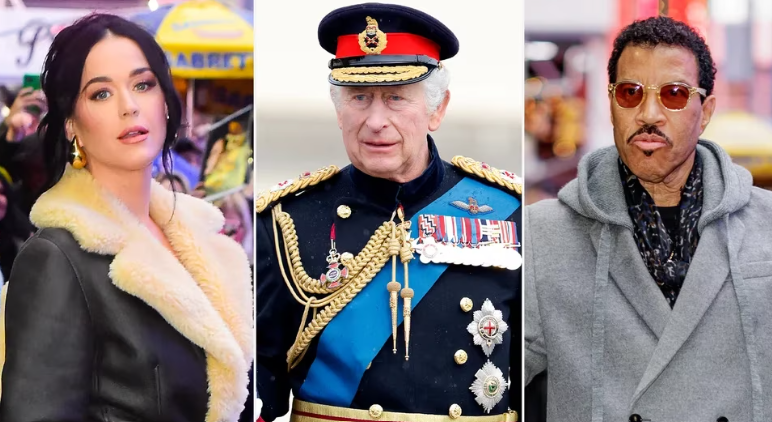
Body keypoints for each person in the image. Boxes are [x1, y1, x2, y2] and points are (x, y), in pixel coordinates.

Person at [255, 4, 522, 422]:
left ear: (437, 109)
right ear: (338, 109)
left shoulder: (508, 213)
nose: (375, 121)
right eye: (359, 98)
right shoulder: (284, 220)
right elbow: (257, 385)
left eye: (396, 98)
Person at [0, 14, 253, 422]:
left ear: (165, 102)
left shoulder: (204, 240)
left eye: (143, 84)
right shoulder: (56, 258)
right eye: (101, 93)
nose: (129, 106)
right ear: (70, 123)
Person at [524, 17, 772, 422]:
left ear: (705, 110)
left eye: (674, 94)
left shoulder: (766, 223)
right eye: (630, 93)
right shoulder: (542, 234)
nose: (648, 113)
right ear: (611, 104)